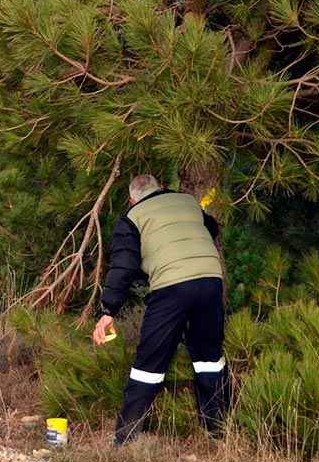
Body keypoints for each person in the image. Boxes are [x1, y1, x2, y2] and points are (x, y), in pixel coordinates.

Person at [92, 174, 231, 445]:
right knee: (209, 358)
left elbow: (123, 267)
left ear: (131, 199)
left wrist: (108, 310)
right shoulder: (188, 202)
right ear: (162, 188)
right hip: (210, 281)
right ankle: (217, 431)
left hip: (171, 287)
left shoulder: (132, 217)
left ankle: (126, 437)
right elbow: (212, 227)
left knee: (149, 362)